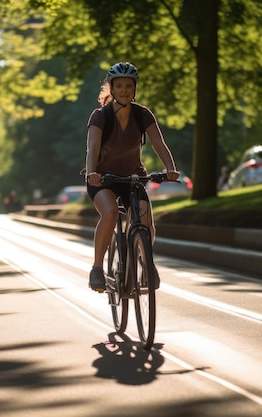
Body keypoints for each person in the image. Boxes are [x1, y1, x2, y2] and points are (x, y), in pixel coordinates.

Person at [85, 62, 180, 292]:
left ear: (134, 88)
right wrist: (91, 173)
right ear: (112, 88)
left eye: (129, 85)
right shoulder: (101, 116)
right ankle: (97, 269)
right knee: (109, 213)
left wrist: (170, 168)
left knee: (145, 217)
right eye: (119, 86)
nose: (124, 90)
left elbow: (158, 143)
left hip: (133, 177)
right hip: (104, 179)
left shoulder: (142, 114)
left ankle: (145, 259)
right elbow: (93, 148)